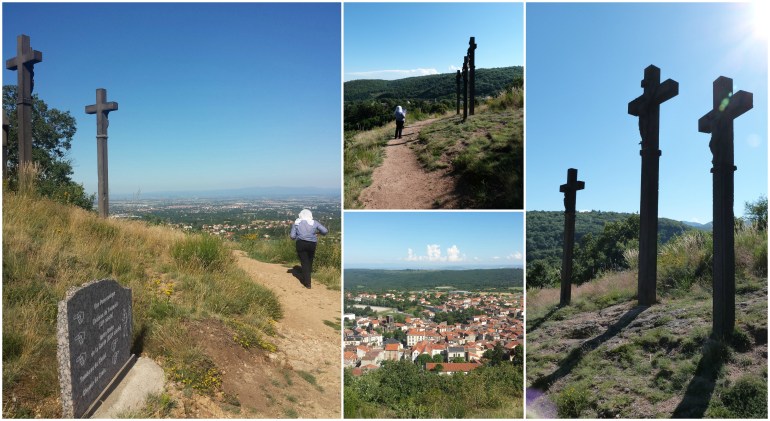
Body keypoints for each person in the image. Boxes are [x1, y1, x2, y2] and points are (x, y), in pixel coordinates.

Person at [289, 209, 328, 289]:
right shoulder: (314, 222)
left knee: (304, 262)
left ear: (300, 215)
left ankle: (307, 282)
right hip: (312, 244)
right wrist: (318, 233)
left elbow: (292, 236)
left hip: (300, 243)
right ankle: (307, 276)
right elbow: (325, 231)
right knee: (310, 261)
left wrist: (298, 236)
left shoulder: (296, 223)